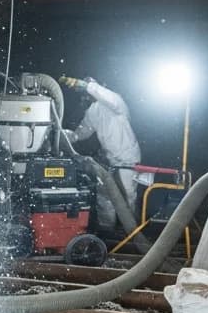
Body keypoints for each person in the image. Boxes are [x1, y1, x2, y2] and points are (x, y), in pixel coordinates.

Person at [59, 75, 145, 232]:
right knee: (105, 196)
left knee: (127, 197)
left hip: (127, 160)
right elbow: (82, 132)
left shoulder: (116, 103)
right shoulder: (93, 111)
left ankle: (132, 234)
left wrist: (85, 84)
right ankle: (108, 231)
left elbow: (103, 94)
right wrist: (66, 135)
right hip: (110, 161)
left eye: (91, 88)